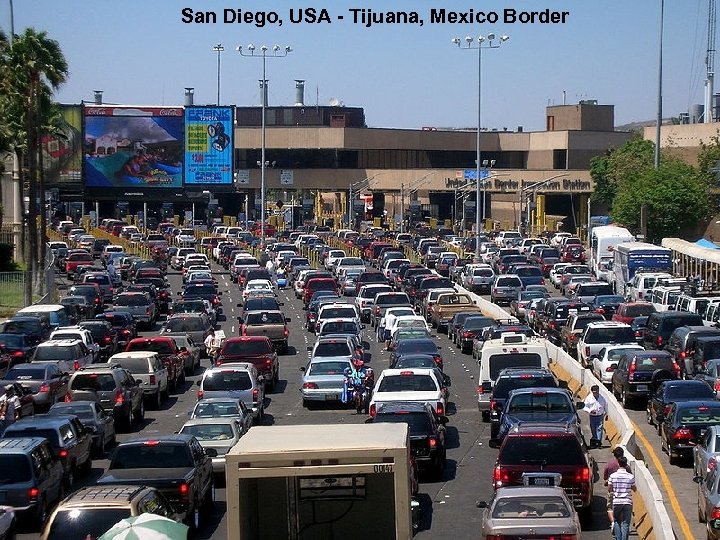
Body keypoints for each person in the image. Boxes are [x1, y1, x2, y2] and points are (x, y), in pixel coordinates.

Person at [608, 455, 636, 540]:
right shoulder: (630, 476)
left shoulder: (613, 476)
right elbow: (634, 489)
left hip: (617, 502)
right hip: (627, 502)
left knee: (616, 521)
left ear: (618, 464)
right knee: (625, 523)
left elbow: (609, 489)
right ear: (626, 464)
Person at [604, 447, 628, 529]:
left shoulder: (610, 464)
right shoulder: (625, 466)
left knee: (610, 508)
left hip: (612, 490)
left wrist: (607, 481)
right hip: (623, 491)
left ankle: (613, 522)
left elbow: (605, 476)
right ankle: (620, 524)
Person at [584, 384, 608, 448]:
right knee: (593, 428)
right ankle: (595, 439)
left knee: (599, 428)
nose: (595, 393)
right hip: (592, 416)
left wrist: (606, 414)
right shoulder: (589, 398)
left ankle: (598, 442)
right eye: (594, 392)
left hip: (600, 416)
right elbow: (585, 407)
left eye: (596, 392)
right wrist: (590, 411)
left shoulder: (602, 398)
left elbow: (605, 406)